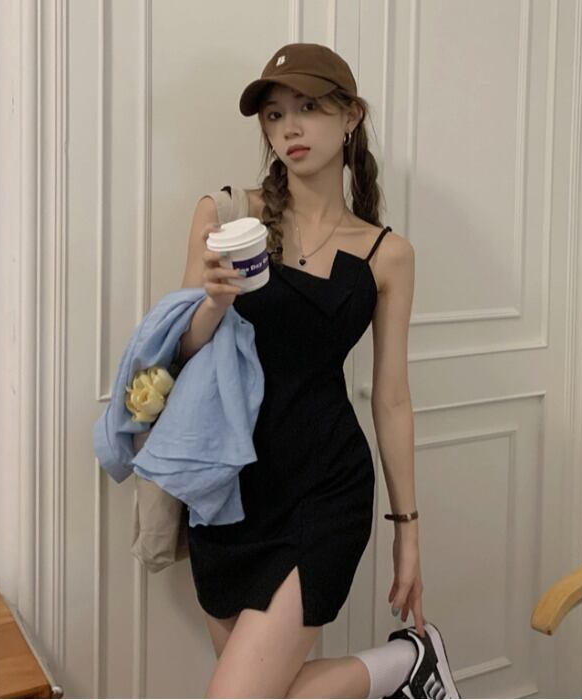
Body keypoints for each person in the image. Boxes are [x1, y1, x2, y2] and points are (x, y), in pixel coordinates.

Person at [178, 42, 459, 699]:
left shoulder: (388, 255)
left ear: (351, 116)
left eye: (307, 107)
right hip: (227, 490)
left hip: (323, 489)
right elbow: (181, 353)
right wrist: (212, 302)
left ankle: (408, 662)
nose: (289, 129)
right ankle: (408, 666)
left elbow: (392, 399)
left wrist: (408, 532)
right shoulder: (227, 215)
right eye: (275, 115)